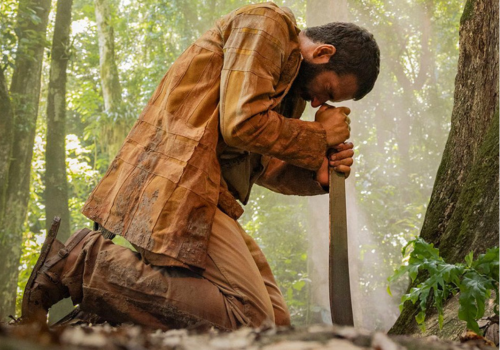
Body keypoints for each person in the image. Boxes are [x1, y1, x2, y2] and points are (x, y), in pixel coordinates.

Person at [22, 2, 379, 330]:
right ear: (322, 52)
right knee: (251, 322)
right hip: (177, 184)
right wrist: (318, 135)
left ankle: (108, 307)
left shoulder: (288, 89)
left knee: (277, 328)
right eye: (327, 91)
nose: (318, 102)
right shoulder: (268, 24)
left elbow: (260, 165)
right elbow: (240, 124)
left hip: (208, 198)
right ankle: (82, 263)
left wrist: (313, 175)